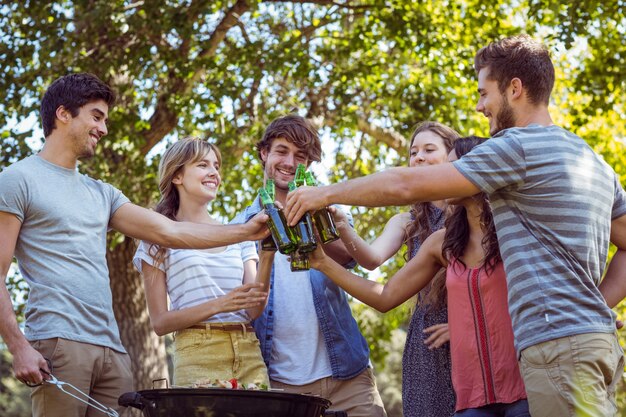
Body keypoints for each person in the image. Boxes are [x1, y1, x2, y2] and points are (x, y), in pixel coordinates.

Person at [286, 35, 626, 417]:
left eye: (485, 93)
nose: (480, 107)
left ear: (514, 89)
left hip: (556, 349)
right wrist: (594, 304)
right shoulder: (590, 158)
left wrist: (324, 194)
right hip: (594, 344)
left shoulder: (517, 146)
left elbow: (404, 185)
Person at [0, 73, 268, 417]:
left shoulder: (103, 193)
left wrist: (247, 232)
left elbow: (171, 233)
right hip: (58, 343)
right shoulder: (17, 179)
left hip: (113, 351)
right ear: (63, 114)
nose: (103, 128)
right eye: (96, 116)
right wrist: (18, 346)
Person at [310, 136, 530, 416]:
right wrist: (323, 263)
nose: (442, 174)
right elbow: (385, 295)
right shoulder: (442, 242)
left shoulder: (518, 231)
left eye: (452, 167)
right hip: (470, 399)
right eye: (414, 152)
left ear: (479, 170)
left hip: (524, 389)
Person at [231, 114, 387, 416]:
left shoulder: (329, 212)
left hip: (348, 376)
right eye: (281, 151)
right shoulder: (241, 226)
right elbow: (246, 305)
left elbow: (350, 257)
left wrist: (314, 219)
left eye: (300, 156)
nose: (289, 162)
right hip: (279, 385)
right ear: (264, 153)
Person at [332, 121, 458, 417]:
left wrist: (464, 327)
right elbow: (371, 259)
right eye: (414, 152)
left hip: (468, 331)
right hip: (425, 341)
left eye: (429, 149)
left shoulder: (471, 213)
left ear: (452, 156)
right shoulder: (408, 221)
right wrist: (341, 226)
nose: (419, 157)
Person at [132, 138, 273, 387]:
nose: (214, 173)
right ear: (177, 176)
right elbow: (160, 323)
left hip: (249, 350)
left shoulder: (239, 233)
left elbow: (253, 309)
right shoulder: (156, 241)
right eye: (202, 165)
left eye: (216, 166)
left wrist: (268, 253)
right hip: (198, 353)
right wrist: (219, 304)